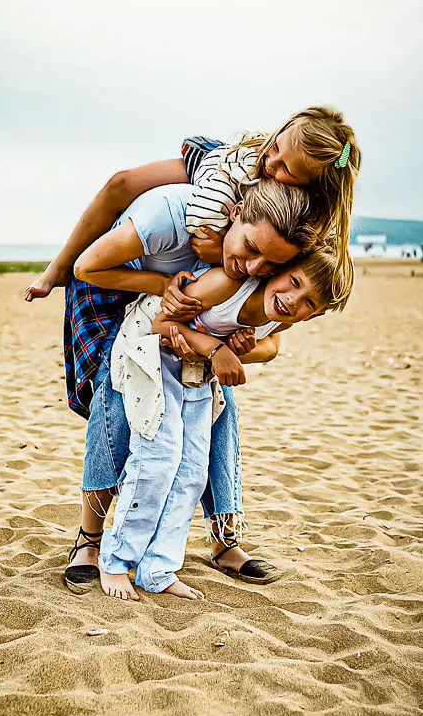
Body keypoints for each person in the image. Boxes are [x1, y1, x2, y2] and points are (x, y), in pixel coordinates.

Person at [63, 180, 316, 594]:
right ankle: (92, 543)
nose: (254, 267)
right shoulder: (171, 215)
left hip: (191, 334)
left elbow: (269, 339)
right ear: (233, 215)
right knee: (120, 414)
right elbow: (92, 258)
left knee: (209, 438)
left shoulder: (272, 254)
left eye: (269, 265)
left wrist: (228, 350)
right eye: (250, 250)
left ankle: (214, 543)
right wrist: (164, 289)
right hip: (119, 300)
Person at [92, 244, 353, 601]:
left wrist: (233, 348)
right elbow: (161, 323)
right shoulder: (227, 284)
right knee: (158, 459)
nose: (294, 301)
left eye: (309, 303)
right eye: (294, 282)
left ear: (314, 316)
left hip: (195, 371)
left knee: (193, 471)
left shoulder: (278, 315)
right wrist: (219, 349)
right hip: (150, 353)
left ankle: (158, 568)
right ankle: (116, 560)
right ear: (277, 269)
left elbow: (270, 346)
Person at [25, 105, 360, 303]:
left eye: (286, 169)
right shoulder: (257, 158)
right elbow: (203, 217)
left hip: (239, 204)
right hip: (217, 165)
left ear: (314, 186)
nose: (270, 163)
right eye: (277, 146)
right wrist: (214, 235)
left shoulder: (307, 217)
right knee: (122, 182)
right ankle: (59, 265)